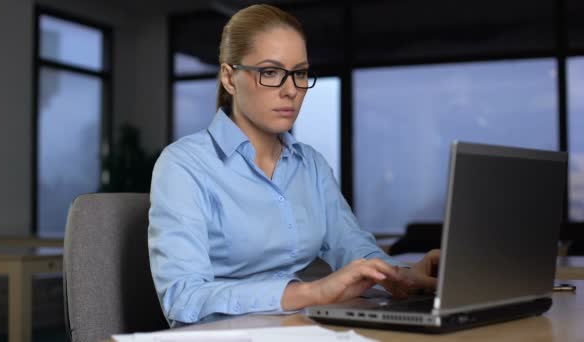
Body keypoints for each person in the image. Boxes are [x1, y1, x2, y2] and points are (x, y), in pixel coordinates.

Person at [148, 4, 439, 326]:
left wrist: (401, 276)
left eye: (299, 73)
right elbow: (182, 297)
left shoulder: (310, 164)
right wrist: (312, 293)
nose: (291, 91)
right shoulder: (184, 164)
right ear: (230, 78)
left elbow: (350, 243)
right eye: (270, 72)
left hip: (292, 327)